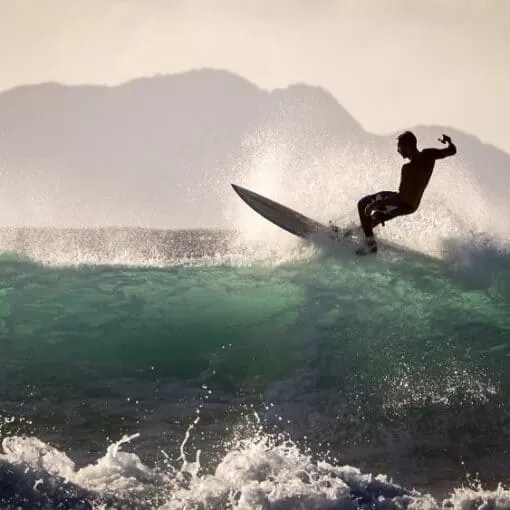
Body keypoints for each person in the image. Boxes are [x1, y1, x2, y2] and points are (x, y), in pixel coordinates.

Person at [355, 131, 457, 254]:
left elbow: (401, 197)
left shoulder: (408, 169)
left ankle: (371, 246)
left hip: (402, 204)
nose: (398, 150)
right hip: (412, 206)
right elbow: (452, 151)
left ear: (407, 147)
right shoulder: (429, 155)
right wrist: (449, 142)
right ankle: (349, 233)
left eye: (400, 147)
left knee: (363, 204)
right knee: (376, 217)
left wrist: (373, 205)